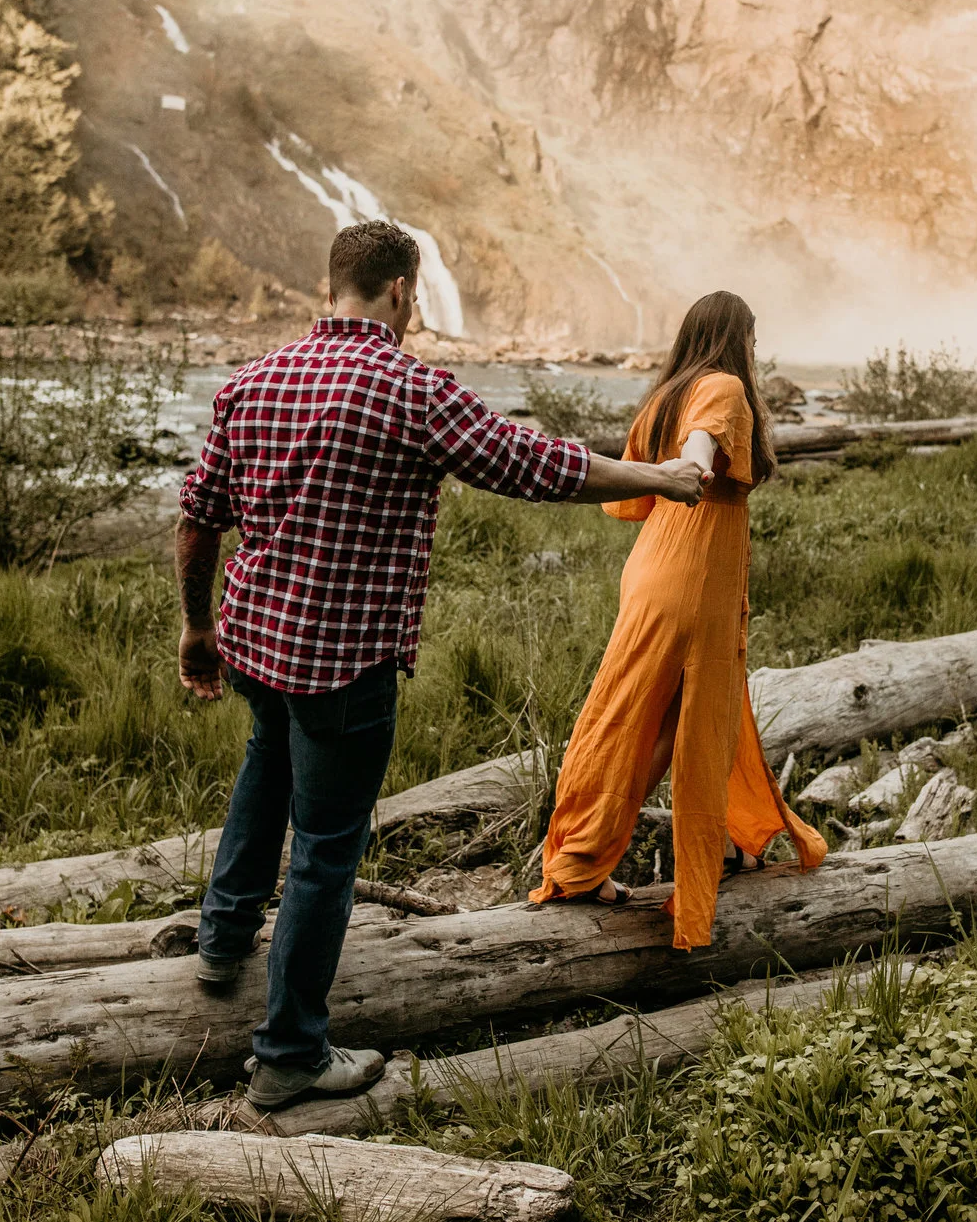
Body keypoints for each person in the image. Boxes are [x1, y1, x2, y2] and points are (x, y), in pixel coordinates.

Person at [174, 220, 705, 1111]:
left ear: (329, 283)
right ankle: (290, 1052)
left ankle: (223, 940)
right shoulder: (410, 389)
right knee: (326, 852)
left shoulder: (250, 383)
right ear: (400, 293)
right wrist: (655, 478)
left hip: (255, 641)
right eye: (412, 296)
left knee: (266, 761)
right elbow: (529, 464)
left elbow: (197, 518)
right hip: (344, 663)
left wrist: (196, 631)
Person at [529, 290, 827, 949]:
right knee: (653, 721)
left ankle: (683, 845)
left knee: (663, 717)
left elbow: (637, 491)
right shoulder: (721, 386)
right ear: (736, 338)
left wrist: (680, 471)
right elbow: (699, 453)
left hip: (659, 564)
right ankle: (581, 860)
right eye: (751, 337)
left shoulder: (670, 389)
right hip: (693, 576)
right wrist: (692, 467)